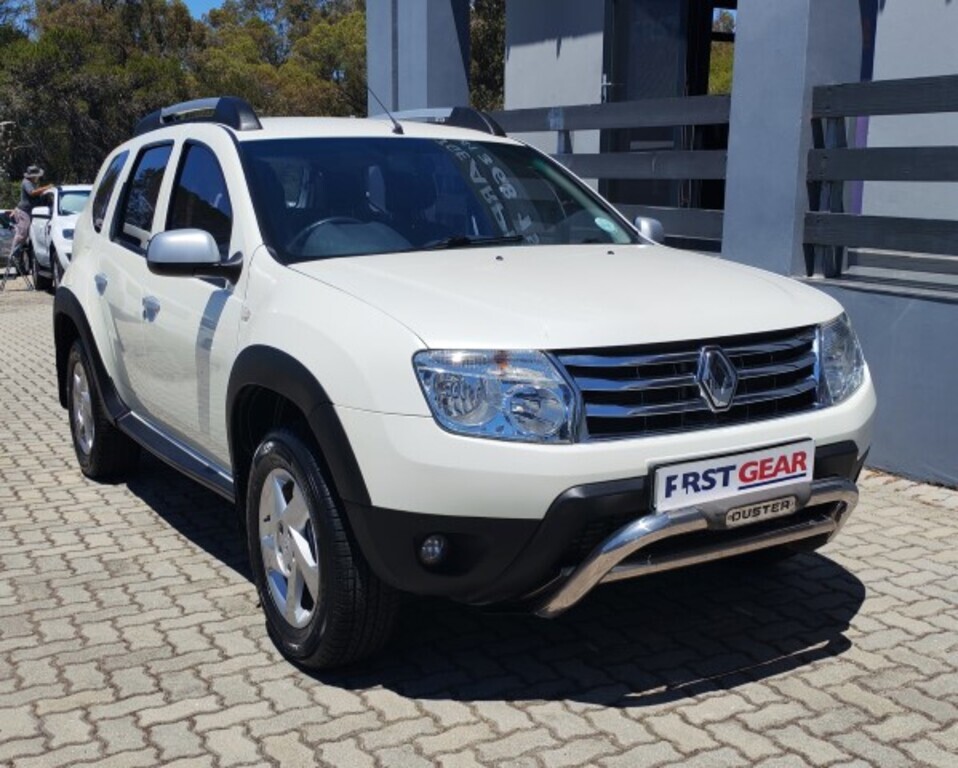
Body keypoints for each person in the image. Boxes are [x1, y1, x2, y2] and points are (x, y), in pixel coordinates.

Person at [7, 165, 54, 268]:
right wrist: (46, 187)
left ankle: (19, 258)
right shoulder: (27, 182)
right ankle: (13, 256)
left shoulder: (32, 183)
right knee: (22, 235)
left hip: (28, 212)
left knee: (26, 236)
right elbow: (32, 193)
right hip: (24, 212)